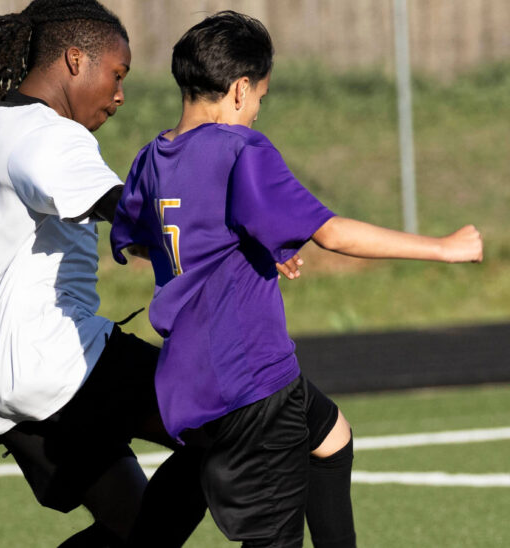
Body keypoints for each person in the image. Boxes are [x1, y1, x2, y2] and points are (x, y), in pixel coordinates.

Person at [110, 10, 484, 548]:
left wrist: (247, 245)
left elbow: (144, 242)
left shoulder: (151, 158)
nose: (256, 111)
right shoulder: (241, 150)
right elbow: (332, 233)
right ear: (241, 89)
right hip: (252, 380)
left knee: (332, 436)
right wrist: (444, 248)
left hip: (189, 378)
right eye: (260, 98)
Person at [0, 1, 227, 546]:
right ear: (75, 60)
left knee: (135, 529)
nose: (120, 95)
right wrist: (221, 242)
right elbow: (124, 209)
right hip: (55, 360)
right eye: (117, 75)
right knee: (229, 423)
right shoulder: (50, 135)